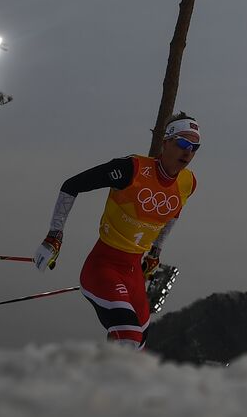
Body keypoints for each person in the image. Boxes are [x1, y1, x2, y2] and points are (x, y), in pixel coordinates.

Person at [33, 113, 201, 349]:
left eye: (195, 147)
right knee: (130, 337)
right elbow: (71, 186)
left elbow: (173, 215)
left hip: (133, 274)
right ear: (165, 142)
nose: (188, 152)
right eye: (183, 143)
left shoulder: (187, 183)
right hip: (103, 268)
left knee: (137, 346)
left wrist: (155, 252)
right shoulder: (131, 169)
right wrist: (54, 235)